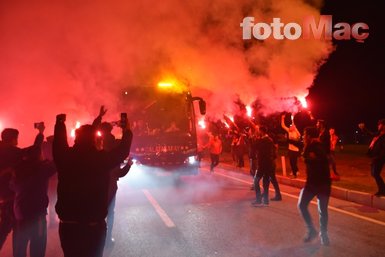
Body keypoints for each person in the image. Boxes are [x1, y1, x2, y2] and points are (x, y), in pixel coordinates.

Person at [53, 107, 133, 257]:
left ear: (76, 139)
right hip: (93, 227)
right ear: (94, 140)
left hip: (68, 226)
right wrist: (127, 130)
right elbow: (123, 151)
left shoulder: (65, 158)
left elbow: (58, 144)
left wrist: (60, 124)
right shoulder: (100, 159)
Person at [11, 122, 57, 257]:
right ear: (38, 156)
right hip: (37, 215)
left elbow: (12, 186)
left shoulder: (18, 169)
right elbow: (58, 162)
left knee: (20, 246)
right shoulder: (42, 169)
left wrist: (41, 134)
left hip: (20, 213)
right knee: (38, 247)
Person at [98, 122, 131, 248]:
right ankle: (107, 237)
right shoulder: (115, 146)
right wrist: (126, 129)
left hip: (97, 186)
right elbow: (120, 172)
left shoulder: (96, 147)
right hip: (111, 185)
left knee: (98, 212)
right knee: (110, 212)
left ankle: (100, 237)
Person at [298, 127, 331, 246]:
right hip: (317, 183)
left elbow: (320, 160)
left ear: (309, 136)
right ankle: (317, 232)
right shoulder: (316, 146)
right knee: (319, 209)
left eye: (305, 134)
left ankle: (321, 233)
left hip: (319, 183)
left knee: (318, 209)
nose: (303, 136)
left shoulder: (315, 147)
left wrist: (309, 158)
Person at [251, 126, 279, 206]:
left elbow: (254, 147)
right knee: (265, 183)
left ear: (261, 131)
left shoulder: (263, 140)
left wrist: (254, 137)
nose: (257, 132)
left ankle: (259, 199)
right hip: (269, 164)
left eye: (258, 131)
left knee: (256, 181)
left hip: (263, 164)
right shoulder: (269, 140)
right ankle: (265, 200)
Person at [359, 119, 385, 196]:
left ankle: (382, 190)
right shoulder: (378, 134)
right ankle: (382, 189)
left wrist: (378, 158)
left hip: (380, 158)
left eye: (380, 125)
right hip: (375, 157)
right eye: (378, 124)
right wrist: (363, 129)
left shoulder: (384, 136)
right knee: (374, 173)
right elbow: (370, 134)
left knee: (375, 173)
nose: (378, 126)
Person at [281, 114, 301, 178]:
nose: (289, 127)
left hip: (295, 150)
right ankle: (295, 171)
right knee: (291, 162)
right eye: (289, 126)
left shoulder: (296, 132)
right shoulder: (289, 131)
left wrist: (294, 139)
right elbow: (283, 126)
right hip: (290, 149)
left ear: (294, 127)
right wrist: (282, 118)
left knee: (294, 162)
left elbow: (299, 137)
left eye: (291, 126)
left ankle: (295, 173)